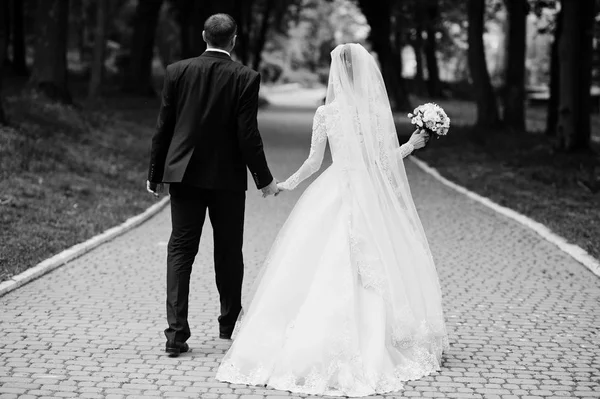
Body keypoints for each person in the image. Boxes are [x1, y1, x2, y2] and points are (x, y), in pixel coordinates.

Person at [215, 43, 448, 397]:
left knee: (318, 260)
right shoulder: (373, 112)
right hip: (366, 194)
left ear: (337, 72)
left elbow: (313, 163)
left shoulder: (326, 113)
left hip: (333, 189)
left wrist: (283, 186)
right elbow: (383, 164)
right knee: (371, 262)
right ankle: (375, 336)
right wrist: (411, 146)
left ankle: (303, 341)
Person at [146, 13, 279, 357]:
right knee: (228, 250)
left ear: (204, 35)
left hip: (184, 176)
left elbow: (165, 126)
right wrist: (263, 179)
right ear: (233, 39)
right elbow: (247, 134)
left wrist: (155, 173)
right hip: (227, 178)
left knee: (180, 250)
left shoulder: (177, 71)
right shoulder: (246, 77)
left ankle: (175, 336)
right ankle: (228, 324)